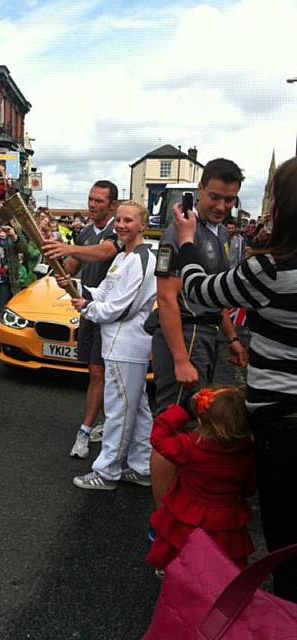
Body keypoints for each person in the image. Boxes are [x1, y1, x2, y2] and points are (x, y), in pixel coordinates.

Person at [173, 155, 297, 602]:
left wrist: (186, 242)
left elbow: (200, 291)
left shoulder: (271, 269)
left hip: (281, 419)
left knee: (285, 539)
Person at [150, 158, 248, 509]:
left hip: (207, 336)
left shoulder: (221, 233)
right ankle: (163, 525)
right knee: (171, 427)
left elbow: (216, 294)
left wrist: (232, 337)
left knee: (193, 422)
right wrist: (179, 358)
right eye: (216, 197)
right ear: (201, 189)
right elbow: (166, 298)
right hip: (184, 336)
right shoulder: (178, 231)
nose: (222, 206)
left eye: (230, 199)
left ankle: (181, 509)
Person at [70, 201, 156, 489]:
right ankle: (142, 466)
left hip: (127, 346)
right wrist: (74, 287)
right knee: (139, 407)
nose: (120, 225)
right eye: (118, 219)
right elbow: (103, 292)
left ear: (142, 224)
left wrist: (87, 308)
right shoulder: (122, 257)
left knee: (119, 409)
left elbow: (123, 308)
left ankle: (107, 472)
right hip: (115, 343)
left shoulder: (144, 258)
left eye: (128, 220)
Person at [43, 181, 120, 458]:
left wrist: (66, 249)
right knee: (94, 372)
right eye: (90, 199)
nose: (92, 204)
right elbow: (71, 267)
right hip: (88, 311)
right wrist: (57, 266)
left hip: (112, 313)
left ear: (112, 205)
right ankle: (106, 423)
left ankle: (85, 432)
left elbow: (105, 252)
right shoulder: (86, 231)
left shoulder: (118, 229)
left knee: (103, 373)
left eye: (99, 201)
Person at [146, 388, 255, 574]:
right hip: (226, 521)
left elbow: (159, 436)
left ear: (201, 419)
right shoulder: (248, 452)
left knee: (181, 556)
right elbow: (249, 488)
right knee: (222, 565)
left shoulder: (190, 447)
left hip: (189, 516)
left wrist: (183, 409)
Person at [0, 225, 28, 312]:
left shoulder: (13, 232)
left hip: (6, 279)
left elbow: (24, 249)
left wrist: (13, 236)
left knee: (2, 307)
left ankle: (0, 325)